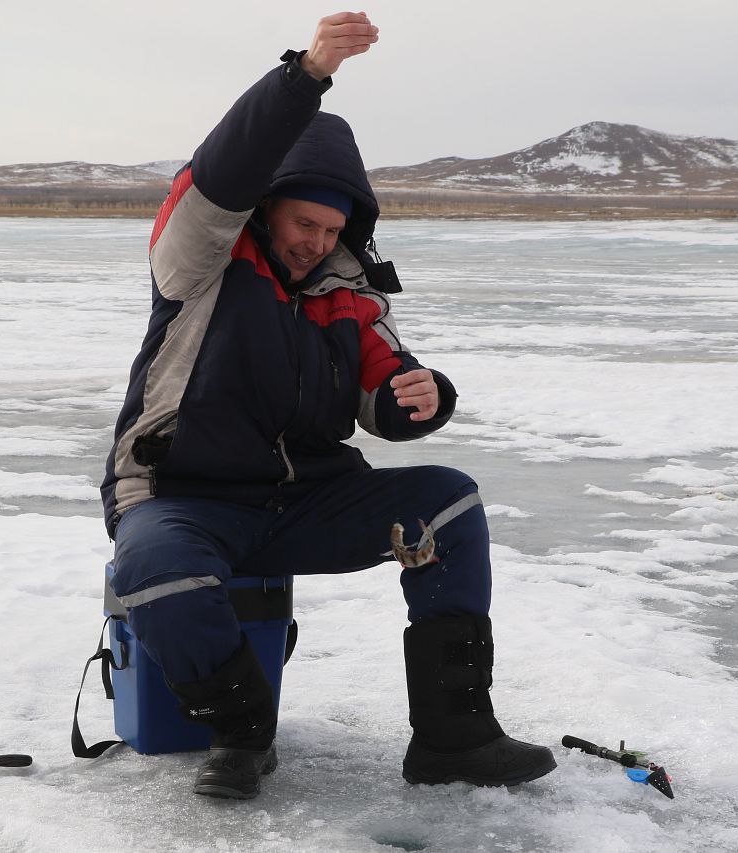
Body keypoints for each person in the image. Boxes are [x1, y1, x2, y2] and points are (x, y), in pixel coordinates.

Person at [100, 12, 555, 800]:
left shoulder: (349, 295)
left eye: (332, 228)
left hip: (304, 500)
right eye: (303, 221)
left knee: (447, 500)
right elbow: (220, 170)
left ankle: (453, 733)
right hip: (185, 498)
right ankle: (240, 734)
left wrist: (424, 398)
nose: (315, 240)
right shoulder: (199, 263)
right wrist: (305, 76)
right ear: (269, 206)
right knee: (152, 568)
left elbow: (387, 395)